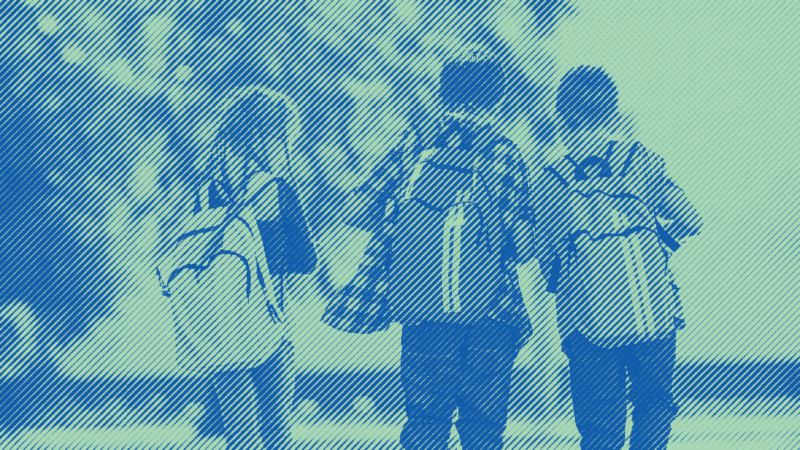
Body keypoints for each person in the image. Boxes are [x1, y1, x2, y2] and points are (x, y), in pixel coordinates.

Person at [323, 45, 535, 450]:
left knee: (424, 425)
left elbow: (355, 210)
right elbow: (523, 248)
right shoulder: (505, 153)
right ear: (498, 96)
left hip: (422, 311)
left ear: (443, 93)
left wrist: (404, 220)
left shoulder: (414, 144)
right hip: (492, 311)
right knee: (484, 430)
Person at [534, 66, 703, 450]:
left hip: (588, 317)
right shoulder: (641, 160)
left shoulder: (550, 178)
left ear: (563, 115)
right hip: (653, 312)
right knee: (654, 407)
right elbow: (691, 220)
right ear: (612, 113)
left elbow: (546, 259)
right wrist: (658, 242)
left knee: (600, 425)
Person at [189, 86, 316, 449]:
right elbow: (306, 261)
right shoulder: (276, 189)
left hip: (220, 324)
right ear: (271, 136)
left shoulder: (205, 190)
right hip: (268, 322)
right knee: (276, 436)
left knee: (240, 440)